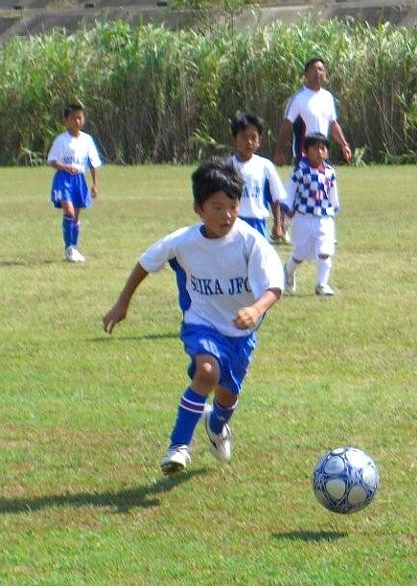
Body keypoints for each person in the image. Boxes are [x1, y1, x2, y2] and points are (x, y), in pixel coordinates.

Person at [102, 157, 284, 474]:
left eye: (233, 206)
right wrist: (122, 303)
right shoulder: (184, 241)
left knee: (227, 396)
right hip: (201, 324)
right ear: (198, 209)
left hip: (240, 334)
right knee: (207, 373)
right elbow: (146, 262)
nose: (227, 215)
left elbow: (274, 287)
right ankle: (178, 446)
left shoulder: (251, 242)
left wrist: (255, 309)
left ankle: (216, 426)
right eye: (217, 207)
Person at [283, 132, 340, 297]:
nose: (319, 152)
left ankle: (321, 284)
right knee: (299, 254)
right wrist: (287, 211)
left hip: (324, 218)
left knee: (325, 252)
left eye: (323, 148)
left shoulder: (330, 172)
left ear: (327, 152)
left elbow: (332, 193)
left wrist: (333, 209)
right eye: (315, 148)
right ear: (306, 151)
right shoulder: (300, 172)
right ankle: (288, 271)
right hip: (304, 218)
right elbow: (289, 192)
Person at [273, 56, 352, 168]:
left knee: (326, 179)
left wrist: (344, 145)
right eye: (314, 70)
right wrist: (279, 152)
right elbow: (286, 125)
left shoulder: (327, 97)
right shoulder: (298, 98)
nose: (318, 73)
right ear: (306, 74)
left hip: (322, 154)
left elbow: (333, 124)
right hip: (304, 156)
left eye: (320, 70)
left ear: (325, 74)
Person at [47, 101, 102, 262]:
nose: (77, 121)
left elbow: (93, 163)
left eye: (79, 118)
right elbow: (52, 160)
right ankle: (69, 248)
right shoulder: (61, 140)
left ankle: (74, 247)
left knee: (76, 217)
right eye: (73, 118)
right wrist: (65, 167)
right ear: (66, 120)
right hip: (63, 179)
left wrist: (94, 184)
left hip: (79, 179)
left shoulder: (87, 140)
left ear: (83, 119)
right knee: (69, 212)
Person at [229, 112, 286, 243]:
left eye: (253, 137)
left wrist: (277, 224)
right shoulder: (227, 166)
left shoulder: (265, 166)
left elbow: (275, 197)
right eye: (244, 137)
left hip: (257, 224)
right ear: (235, 140)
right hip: (233, 224)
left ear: (259, 141)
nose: (249, 142)